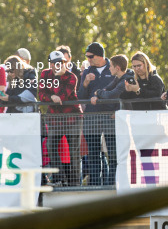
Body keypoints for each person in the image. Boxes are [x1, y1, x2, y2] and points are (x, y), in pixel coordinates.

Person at [38, 50, 82, 187]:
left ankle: (74, 184)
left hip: (73, 118)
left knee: (74, 151)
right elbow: (41, 94)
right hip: (55, 119)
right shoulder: (45, 74)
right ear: (50, 64)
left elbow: (62, 96)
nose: (59, 65)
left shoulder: (71, 76)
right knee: (51, 146)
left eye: (61, 62)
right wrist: (50, 97)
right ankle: (59, 179)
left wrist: (57, 78)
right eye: (55, 63)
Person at [79, 42, 117, 186]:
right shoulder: (88, 71)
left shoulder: (113, 67)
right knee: (94, 154)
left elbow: (121, 91)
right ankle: (94, 185)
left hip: (110, 117)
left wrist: (117, 110)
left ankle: (111, 185)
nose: (88, 59)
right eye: (87, 57)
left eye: (91, 56)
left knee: (112, 153)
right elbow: (81, 96)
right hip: (92, 117)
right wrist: (85, 83)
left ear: (100, 55)